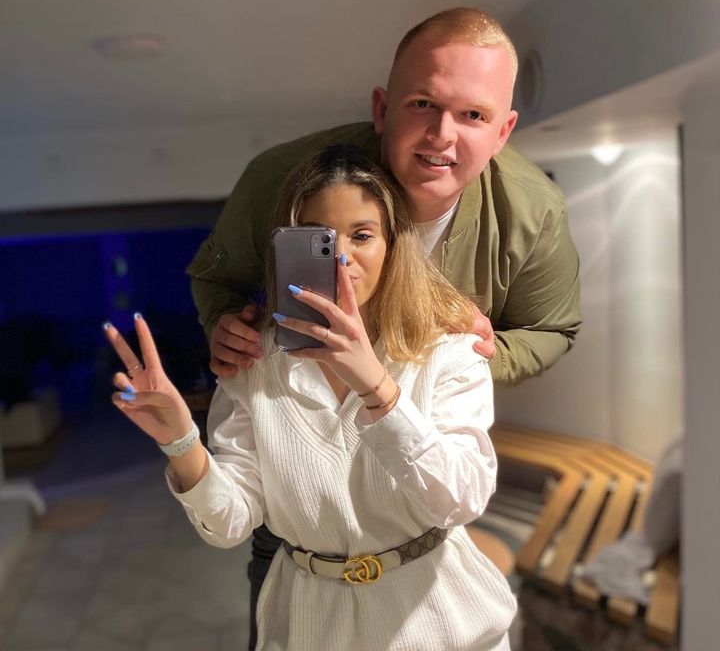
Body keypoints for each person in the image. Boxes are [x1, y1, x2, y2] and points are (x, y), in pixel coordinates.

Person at [188, 7, 582, 647]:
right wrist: (226, 325)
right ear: (382, 107)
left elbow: (554, 329)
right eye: (424, 103)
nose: (442, 135)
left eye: (473, 114)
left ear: (504, 130)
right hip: (300, 501)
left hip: (413, 502)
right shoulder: (283, 182)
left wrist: (484, 351)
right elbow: (214, 277)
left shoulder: (532, 212)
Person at [105, 146, 517, 650]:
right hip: (310, 621)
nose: (341, 257)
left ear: (392, 244)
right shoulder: (253, 363)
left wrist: (376, 386)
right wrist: (180, 441)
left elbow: (463, 500)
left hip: (442, 620)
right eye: (318, 240)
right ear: (286, 250)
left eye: (362, 235)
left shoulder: (447, 352)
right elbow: (231, 521)